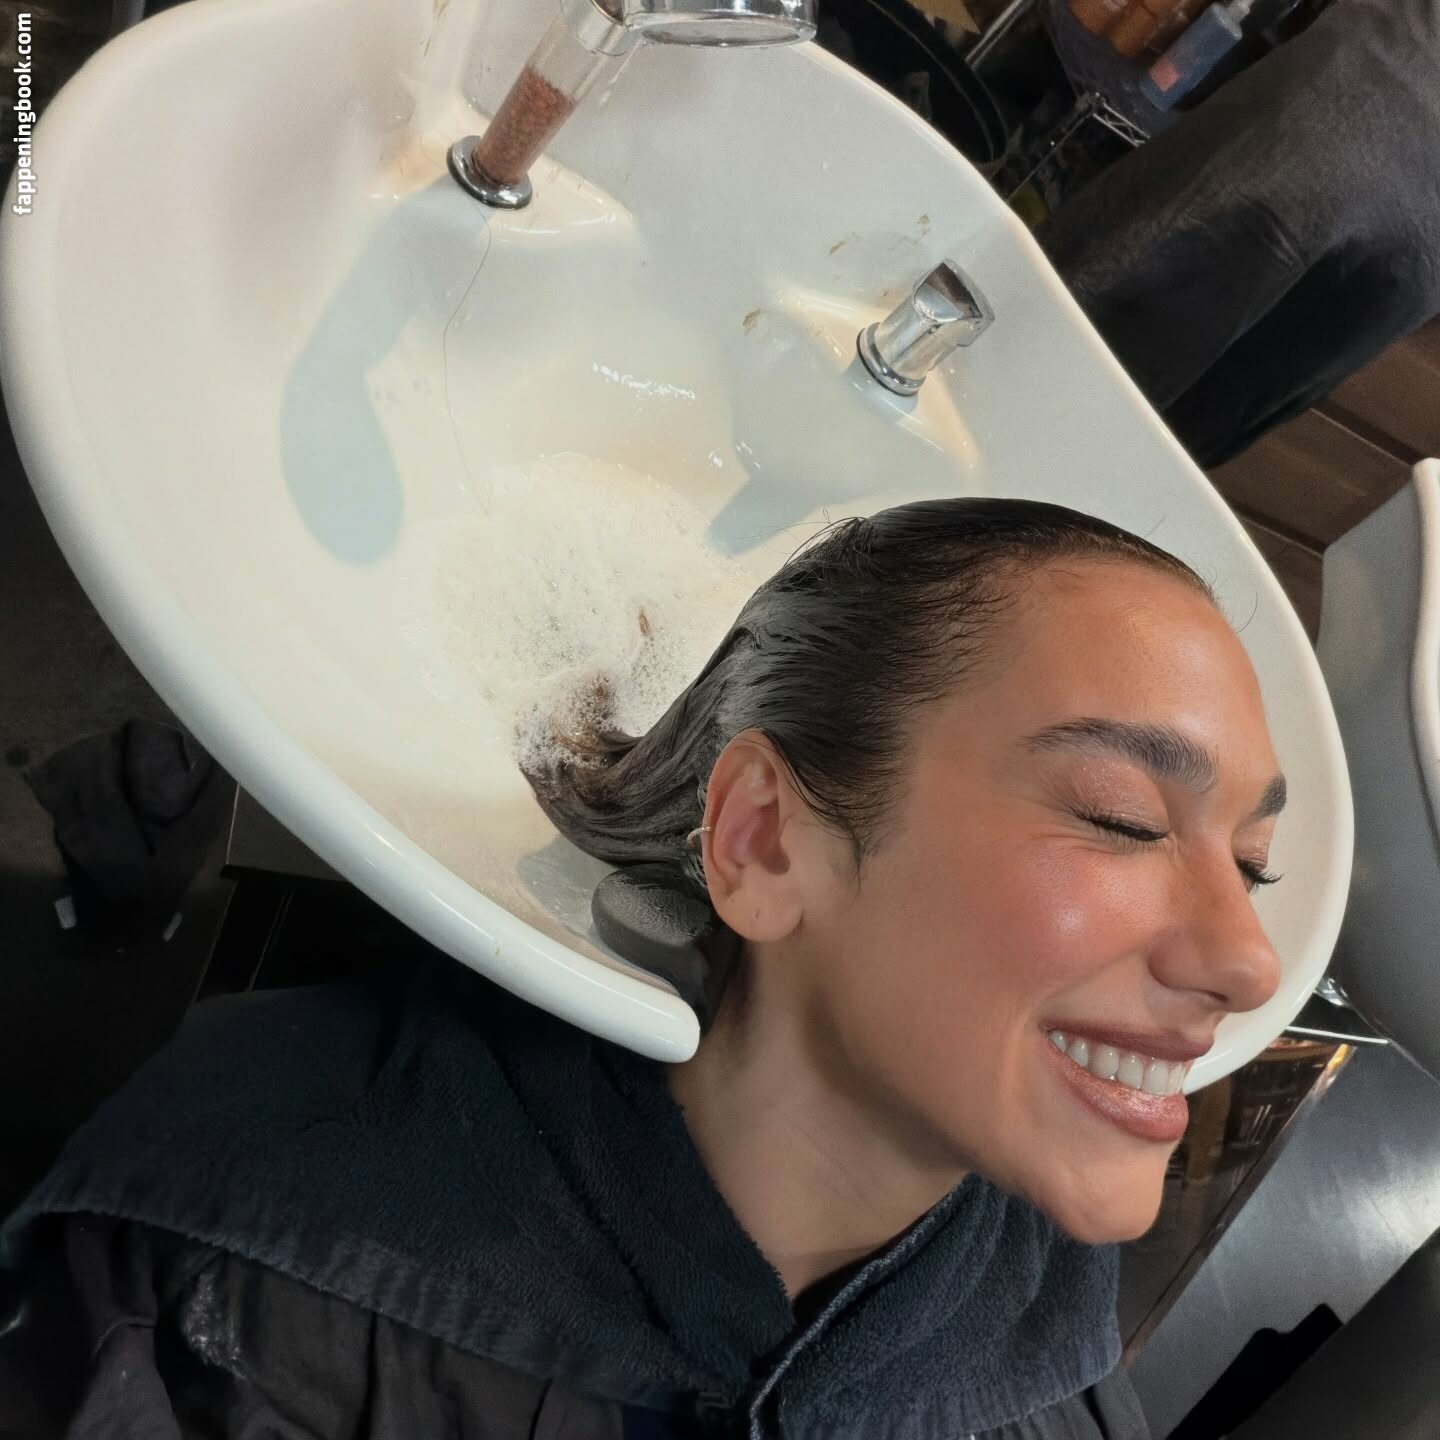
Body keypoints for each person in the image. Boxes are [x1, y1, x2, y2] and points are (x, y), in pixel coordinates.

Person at [0, 498, 1285, 1438]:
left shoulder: (1056, 1377)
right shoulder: (234, 1280)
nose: (1248, 961)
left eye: (1255, 865)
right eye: (1124, 819)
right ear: (764, 841)